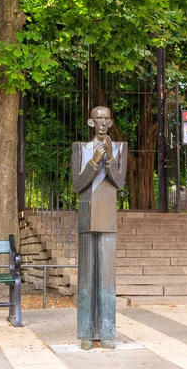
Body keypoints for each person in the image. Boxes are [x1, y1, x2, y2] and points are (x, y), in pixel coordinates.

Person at [71, 106, 127, 350]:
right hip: (86, 215)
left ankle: (106, 333)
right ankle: (85, 332)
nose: (102, 123)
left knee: (106, 278)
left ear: (111, 122)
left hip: (107, 216)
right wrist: (94, 161)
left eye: (106, 119)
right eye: (98, 119)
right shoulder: (80, 149)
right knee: (86, 276)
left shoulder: (120, 149)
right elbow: (77, 184)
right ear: (90, 122)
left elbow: (120, 182)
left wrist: (110, 160)